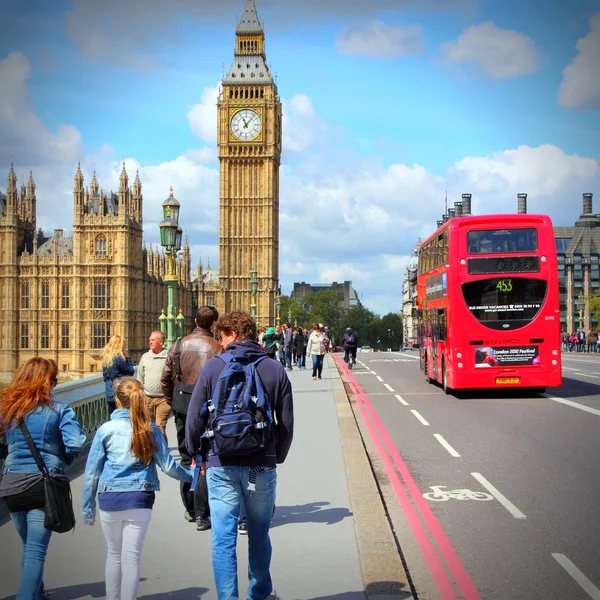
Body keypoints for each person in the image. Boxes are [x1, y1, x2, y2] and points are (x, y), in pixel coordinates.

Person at [186, 310, 294, 600]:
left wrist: (198, 454)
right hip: (262, 463)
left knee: (223, 538)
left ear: (232, 334)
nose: (220, 343)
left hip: (221, 462)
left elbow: (194, 421)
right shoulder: (274, 368)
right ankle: (259, 593)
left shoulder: (213, 367)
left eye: (221, 336)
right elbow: (286, 423)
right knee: (259, 534)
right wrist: (275, 456)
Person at [82, 377, 192, 600]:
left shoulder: (105, 430)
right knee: (131, 558)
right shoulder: (150, 429)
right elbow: (169, 467)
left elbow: (92, 473)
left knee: (113, 554)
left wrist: (88, 508)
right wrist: (192, 477)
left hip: (110, 499)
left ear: (118, 401)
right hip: (140, 499)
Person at [0, 358, 86, 600]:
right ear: (47, 383)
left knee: (29, 547)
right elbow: (77, 442)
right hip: (42, 485)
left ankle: (37, 594)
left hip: (12, 485)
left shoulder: (7, 409)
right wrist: (62, 460)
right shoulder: (59, 410)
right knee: (35, 552)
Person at [161, 306, 222, 531]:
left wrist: (173, 402)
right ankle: (202, 514)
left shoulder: (177, 345)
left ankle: (189, 508)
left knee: (187, 459)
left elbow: (165, 378)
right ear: (213, 324)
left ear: (195, 320)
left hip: (182, 407)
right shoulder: (219, 348)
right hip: (209, 410)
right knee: (205, 460)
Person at [137, 330, 170, 440]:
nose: (150, 342)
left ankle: (162, 454)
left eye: (153, 340)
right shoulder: (145, 357)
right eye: (149, 340)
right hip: (147, 398)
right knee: (148, 427)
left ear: (161, 342)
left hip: (163, 399)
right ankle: (151, 453)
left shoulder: (168, 356)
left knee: (160, 427)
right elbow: (140, 377)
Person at [102, 335, 134, 416]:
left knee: (112, 416)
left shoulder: (106, 358)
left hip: (109, 392)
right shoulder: (118, 358)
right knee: (123, 416)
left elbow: (105, 376)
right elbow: (131, 371)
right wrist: (127, 358)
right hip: (120, 392)